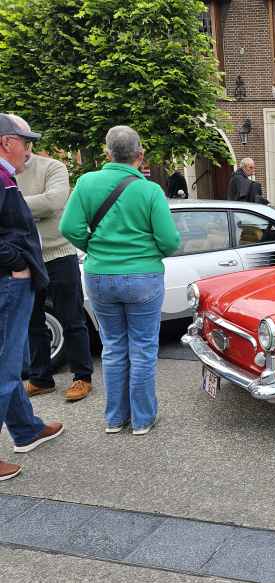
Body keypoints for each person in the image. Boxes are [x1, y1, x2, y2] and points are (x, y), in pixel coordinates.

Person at [60, 126, 180, 435]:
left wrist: (94, 249)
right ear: (140, 155)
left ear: (107, 152)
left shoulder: (86, 183)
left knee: (112, 346)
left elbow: (69, 227)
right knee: (142, 348)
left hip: (100, 274)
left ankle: (115, 419)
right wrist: (147, 253)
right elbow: (169, 241)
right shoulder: (150, 191)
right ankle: (142, 419)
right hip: (143, 276)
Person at [0, 113, 64, 481]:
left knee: (13, 360)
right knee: (5, 366)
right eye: (26, 142)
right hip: (8, 282)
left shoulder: (6, 177)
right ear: (7, 142)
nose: (29, 150)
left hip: (12, 281)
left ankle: (26, 429)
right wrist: (16, 263)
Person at [16, 143, 94, 402]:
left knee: (72, 318)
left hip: (59, 254)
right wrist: (31, 208)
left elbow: (53, 202)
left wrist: (11, 205)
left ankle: (82, 377)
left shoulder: (53, 167)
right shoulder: (6, 172)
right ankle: (41, 379)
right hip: (25, 257)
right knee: (32, 322)